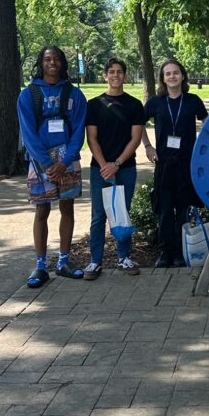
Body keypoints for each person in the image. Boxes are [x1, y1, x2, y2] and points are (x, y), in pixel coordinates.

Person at [17, 46, 87, 288]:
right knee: (42, 209)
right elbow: (27, 133)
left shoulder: (75, 95)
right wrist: (47, 163)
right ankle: (40, 265)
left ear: (63, 63)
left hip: (67, 156)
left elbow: (79, 130)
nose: (52, 63)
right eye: (47, 59)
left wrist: (64, 161)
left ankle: (64, 261)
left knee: (67, 208)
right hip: (40, 160)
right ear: (41, 63)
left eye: (56, 58)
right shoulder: (28, 95)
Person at [83, 57, 145, 280]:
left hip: (126, 168)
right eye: (111, 71)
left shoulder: (134, 105)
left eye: (120, 71)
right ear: (105, 76)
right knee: (98, 216)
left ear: (125, 76)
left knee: (122, 213)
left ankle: (124, 257)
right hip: (100, 170)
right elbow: (92, 139)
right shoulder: (94, 105)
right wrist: (105, 166)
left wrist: (117, 164)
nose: (115, 75)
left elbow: (135, 138)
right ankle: (95, 261)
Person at [142, 59, 208, 268]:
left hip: (187, 163)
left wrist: (203, 151)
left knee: (183, 209)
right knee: (164, 209)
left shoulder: (193, 100)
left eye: (176, 73)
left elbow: (207, 124)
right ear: (162, 78)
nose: (172, 76)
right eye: (168, 73)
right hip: (164, 164)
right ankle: (165, 252)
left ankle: (180, 252)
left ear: (182, 75)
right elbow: (138, 124)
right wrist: (148, 146)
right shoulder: (156, 102)